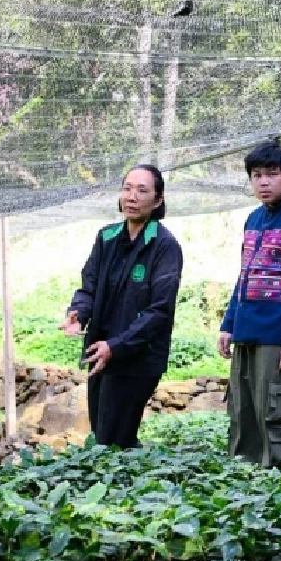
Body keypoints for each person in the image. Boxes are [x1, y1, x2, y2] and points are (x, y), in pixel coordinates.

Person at [61, 164, 183, 448]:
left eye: (142, 190)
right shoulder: (107, 237)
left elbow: (159, 310)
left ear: (158, 200)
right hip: (99, 352)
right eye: (127, 188)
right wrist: (78, 312)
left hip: (137, 358)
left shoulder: (165, 246)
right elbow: (89, 285)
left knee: (114, 438)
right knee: (103, 435)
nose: (132, 196)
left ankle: (126, 488)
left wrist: (117, 346)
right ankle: (118, 486)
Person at [218, 140, 281, 467]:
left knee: (278, 411)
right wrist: (228, 324)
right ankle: (245, 476)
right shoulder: (253, 220)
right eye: (256, 175)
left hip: (279, 337)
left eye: (272, 174)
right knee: (243, 410)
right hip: (247, 332)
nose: (263, 181)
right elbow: (244, 275)